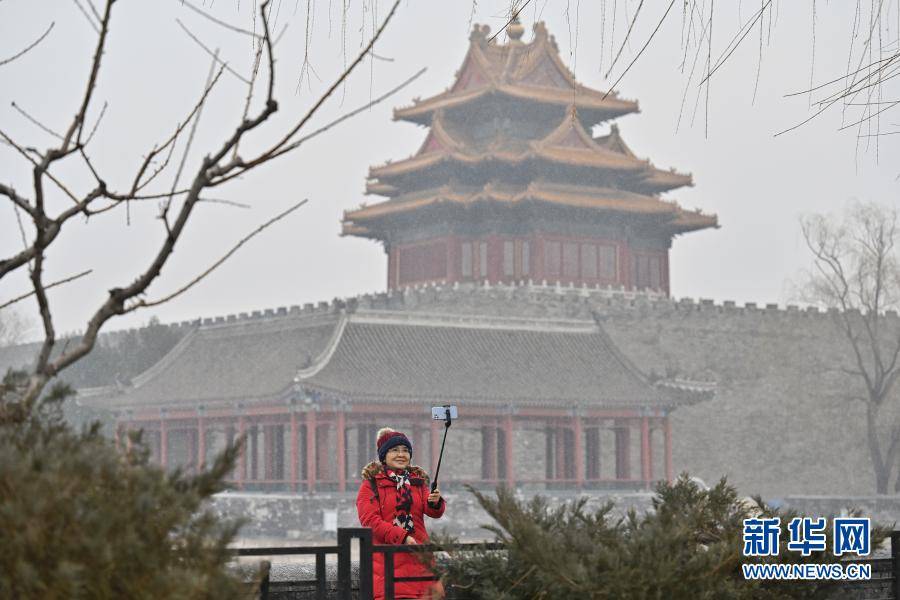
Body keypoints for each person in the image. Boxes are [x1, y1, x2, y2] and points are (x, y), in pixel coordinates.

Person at [356, 427, 446, 600]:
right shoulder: (371, 485)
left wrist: (435, 503)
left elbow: (433, 512)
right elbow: (370, 521)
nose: (401, 454)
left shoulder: (417, 482)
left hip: (420, 558)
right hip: (388, 560)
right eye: (394, 450)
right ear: (383, 456)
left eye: (405, 450)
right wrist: (402, 536)